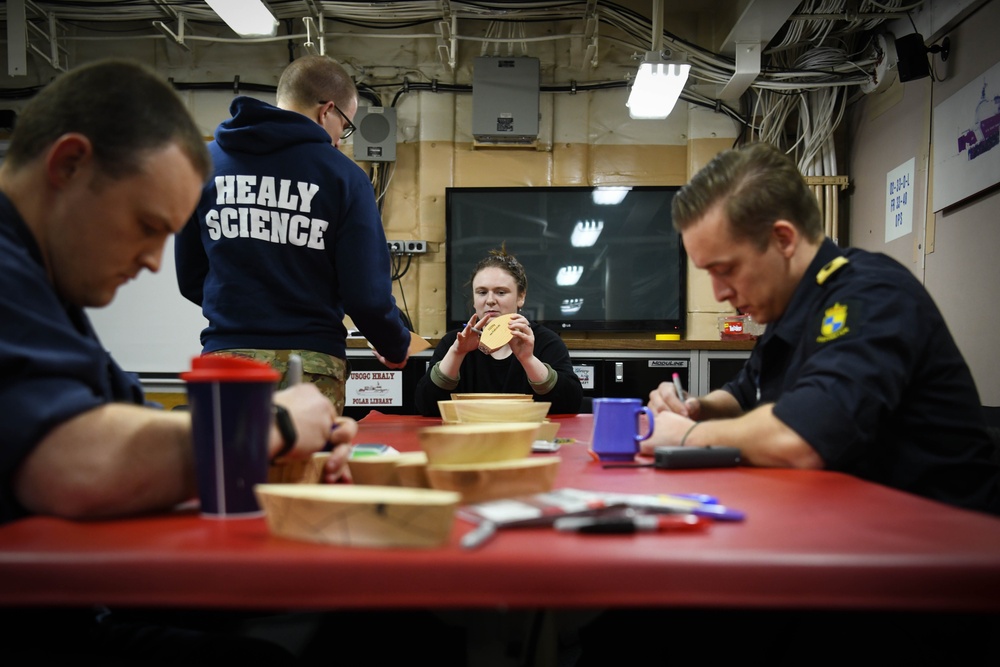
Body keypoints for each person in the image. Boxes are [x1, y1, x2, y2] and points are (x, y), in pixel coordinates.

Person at [0, 58, 357, 525]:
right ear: (69, 165)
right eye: (146, 226)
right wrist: (276, 425)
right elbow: (71, 467)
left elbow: (123, 416)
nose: (152, 262)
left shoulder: (48, 293)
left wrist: (276, 425)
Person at [644, 142, 999, 515]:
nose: (719, 294)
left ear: (783, 239)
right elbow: (745, 394)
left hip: (944, 545)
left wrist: (684, 436)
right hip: (854, 527)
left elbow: (803, 437)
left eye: (726, 269)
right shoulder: (791, 305)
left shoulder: (871, 295)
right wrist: (695, 407)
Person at [175, 54, 410, 415]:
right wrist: (395, 345)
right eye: (345, 126)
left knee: (227, 468)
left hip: (227, 359)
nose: (339, 141)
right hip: (311, 364)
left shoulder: (205, 164)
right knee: (308, 470)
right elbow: (365, 295)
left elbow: (191, 277)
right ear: (326, 111)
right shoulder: (344, 177)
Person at [415, 245, 583, 416]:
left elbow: (569, 404)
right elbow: (426, 407)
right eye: (481, 292)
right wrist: (457, 353)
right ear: (474, 300)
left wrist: (528, 359)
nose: (490, 300)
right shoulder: (454, 342)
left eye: (501, 292)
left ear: (521, 297)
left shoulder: (546, 341)